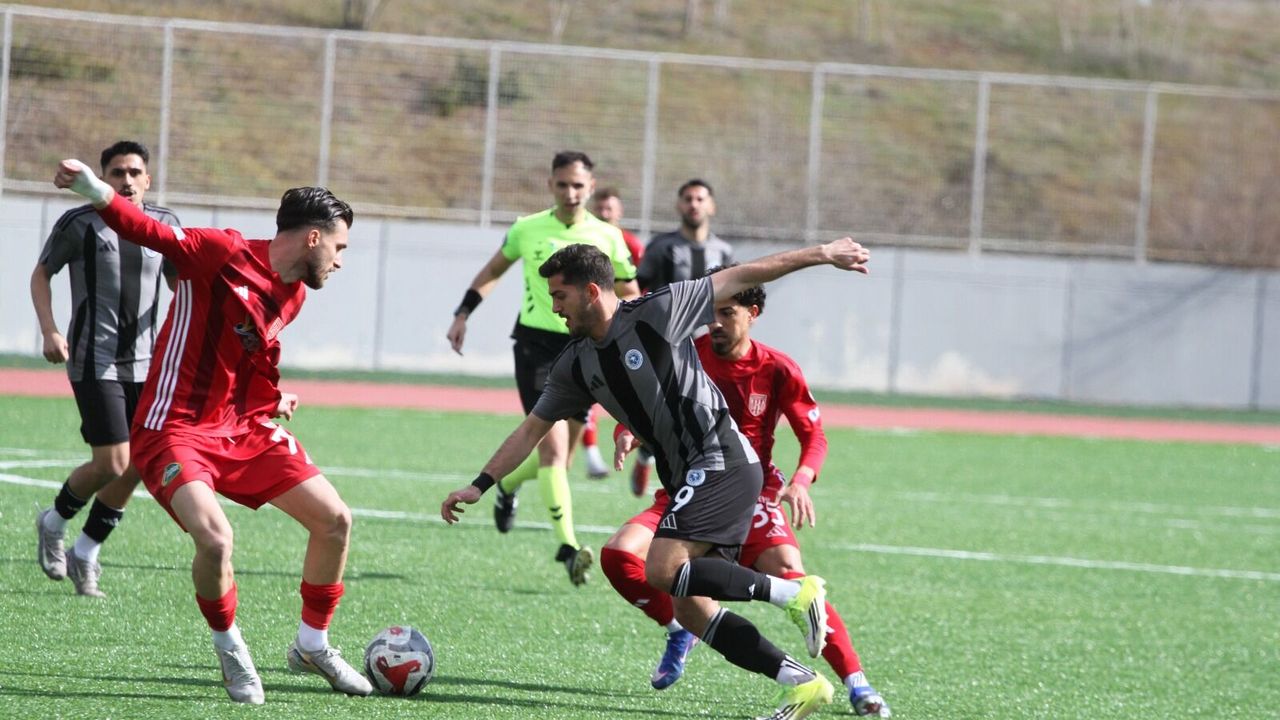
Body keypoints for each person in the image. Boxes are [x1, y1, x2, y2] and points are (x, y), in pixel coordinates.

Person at [441, 237, 872, 719]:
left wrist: (822, 254)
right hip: (686, 476)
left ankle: (796, 593)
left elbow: (746, 275)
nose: (554, 307)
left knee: (661, 570)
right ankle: (802, 682)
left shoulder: (659, 311)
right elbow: (531, 430)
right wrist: (480, 484)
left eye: (560, 296)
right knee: (690, 608)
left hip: (722, 459)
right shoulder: (576, 363)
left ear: (590, 291)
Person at [53, 158, 371, 704]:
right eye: (339, 248)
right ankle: (230, 647)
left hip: (239, 428)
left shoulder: (293, 294)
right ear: (313, 238)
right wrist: (92, 188)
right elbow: (146, 230)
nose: (341, 261)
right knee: (217, 539)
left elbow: (247, 353)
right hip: (171, 429)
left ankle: (312, 644)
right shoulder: (222, 251)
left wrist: (272, 398)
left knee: (335, 520)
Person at [600, 272, 891, 716]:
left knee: (791, 573)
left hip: (749, 492)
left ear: (753, 314)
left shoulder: (776, 368)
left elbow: (814, 435)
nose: (714, 323)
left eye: (727, 313)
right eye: (710, 313)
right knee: (619, 555)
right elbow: (643, 407)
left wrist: (802, 480)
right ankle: (679, 626)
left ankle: (858, 684)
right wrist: (626, 431)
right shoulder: (684, 355)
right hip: (687, 489)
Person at [446, 151, 639, 585]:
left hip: (587, 346)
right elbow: (493, 270)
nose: (570, 193)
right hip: (536, 348)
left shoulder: (608, 236)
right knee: (551, 450)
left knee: (561, 461)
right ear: (551, 185)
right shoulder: (527, 228)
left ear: (591, 187)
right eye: (562, 184)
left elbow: (629, 290)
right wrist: (463, 314)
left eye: (578, 185)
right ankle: (569, 548)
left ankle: (508, 484)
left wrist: (632, 332)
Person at [32, 140, 178, 598]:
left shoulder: (166, 224)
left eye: (135, 172)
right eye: (117, 172)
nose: (127, 180)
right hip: (95, 359)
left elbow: (182, 283)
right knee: (113, 460)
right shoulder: (79, 223)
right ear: (103, 178)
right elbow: (41, 274)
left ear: (147, 180)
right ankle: (53, 522)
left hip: (149, 365)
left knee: (140, 464)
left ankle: (86, 551)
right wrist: (50, 330)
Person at [628, 178, 735, 496]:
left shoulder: (723, 251)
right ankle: (649, 455)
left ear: (711, 206)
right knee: (664, 410)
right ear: (679, 205)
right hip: (667, 344)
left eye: (700, 199)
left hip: (709, 343)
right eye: (688, 199)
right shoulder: (662, 247)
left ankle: (699, 474)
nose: (693, 204)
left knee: (705, 409)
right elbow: (637, 289)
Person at [579, 187, 646, 479]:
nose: (605, 214)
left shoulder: (630, 244)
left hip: (623, 329)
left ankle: (644, 450)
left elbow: (638, 287)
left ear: (620, 212)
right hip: (589, 328)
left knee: (634, 388)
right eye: (600, 208)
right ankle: (591, 452)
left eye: (610, 209)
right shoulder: (583, 242)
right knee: (588, 388)